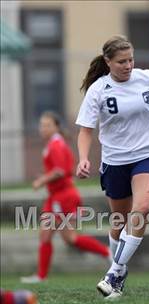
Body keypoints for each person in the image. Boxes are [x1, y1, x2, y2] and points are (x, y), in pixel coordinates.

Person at [75, 35, 149, 299]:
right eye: (121, 61)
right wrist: (83, 157)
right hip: (115, 161)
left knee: (143, 209)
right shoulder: (98, 89)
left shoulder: (148, 78)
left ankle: (114, 271)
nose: (127, 65)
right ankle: (119, 272)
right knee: (119, 223)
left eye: (131, 60)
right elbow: (86, 130)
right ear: (108, 62)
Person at [21, 112, 110, 284]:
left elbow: (60, 171)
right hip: (55, 197)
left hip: (64, 197)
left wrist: (41, 180)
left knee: (70, 238)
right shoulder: (53, 144)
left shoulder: (56, 145)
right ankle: (41, 276)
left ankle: (107, 252)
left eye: (47, 125)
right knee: (46, 235)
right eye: (41, 125)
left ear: (56, 127)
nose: (43, 128)